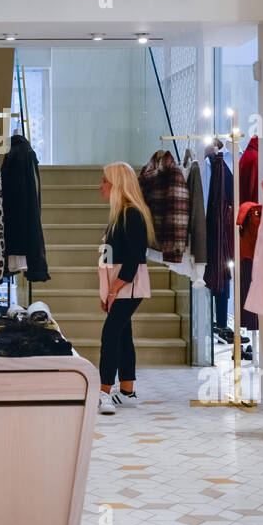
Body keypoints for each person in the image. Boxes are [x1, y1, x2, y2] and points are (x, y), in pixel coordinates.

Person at [97, 161, 156, 416]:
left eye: (104, 180)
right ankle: (127, 390)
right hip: (120, 284)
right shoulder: (121, 214)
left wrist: (112, 291)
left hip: (127, 285)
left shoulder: (131, 214)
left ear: (116, 184)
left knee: (111, 334)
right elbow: (110, 256)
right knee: (122, 333)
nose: (101, 186)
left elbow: (133, 260)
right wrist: (106, 290)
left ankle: (104, 391)